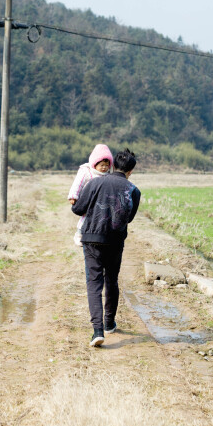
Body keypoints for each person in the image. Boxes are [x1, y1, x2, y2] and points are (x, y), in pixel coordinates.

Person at [70, 148, 141, 347]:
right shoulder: (134, 190)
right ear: (130, 171)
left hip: (92, 238)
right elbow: (130, 218)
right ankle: (109, 323)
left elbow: (78, 209)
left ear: (113, 165)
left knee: (94, 282)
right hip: (115, 241)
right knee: (111, 280)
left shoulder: (94, 182)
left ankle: (98, 331)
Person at [67, 144, 114, 246]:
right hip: (88, 200)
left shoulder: (109, 176)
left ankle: (98, 236)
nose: (104, 168)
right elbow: (77, 184)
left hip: (102, 202)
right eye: (102, 165)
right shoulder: (86, 171)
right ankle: (79, 234)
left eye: (106, 166)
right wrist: (73, 196)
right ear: (95, 163)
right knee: (86, 218)